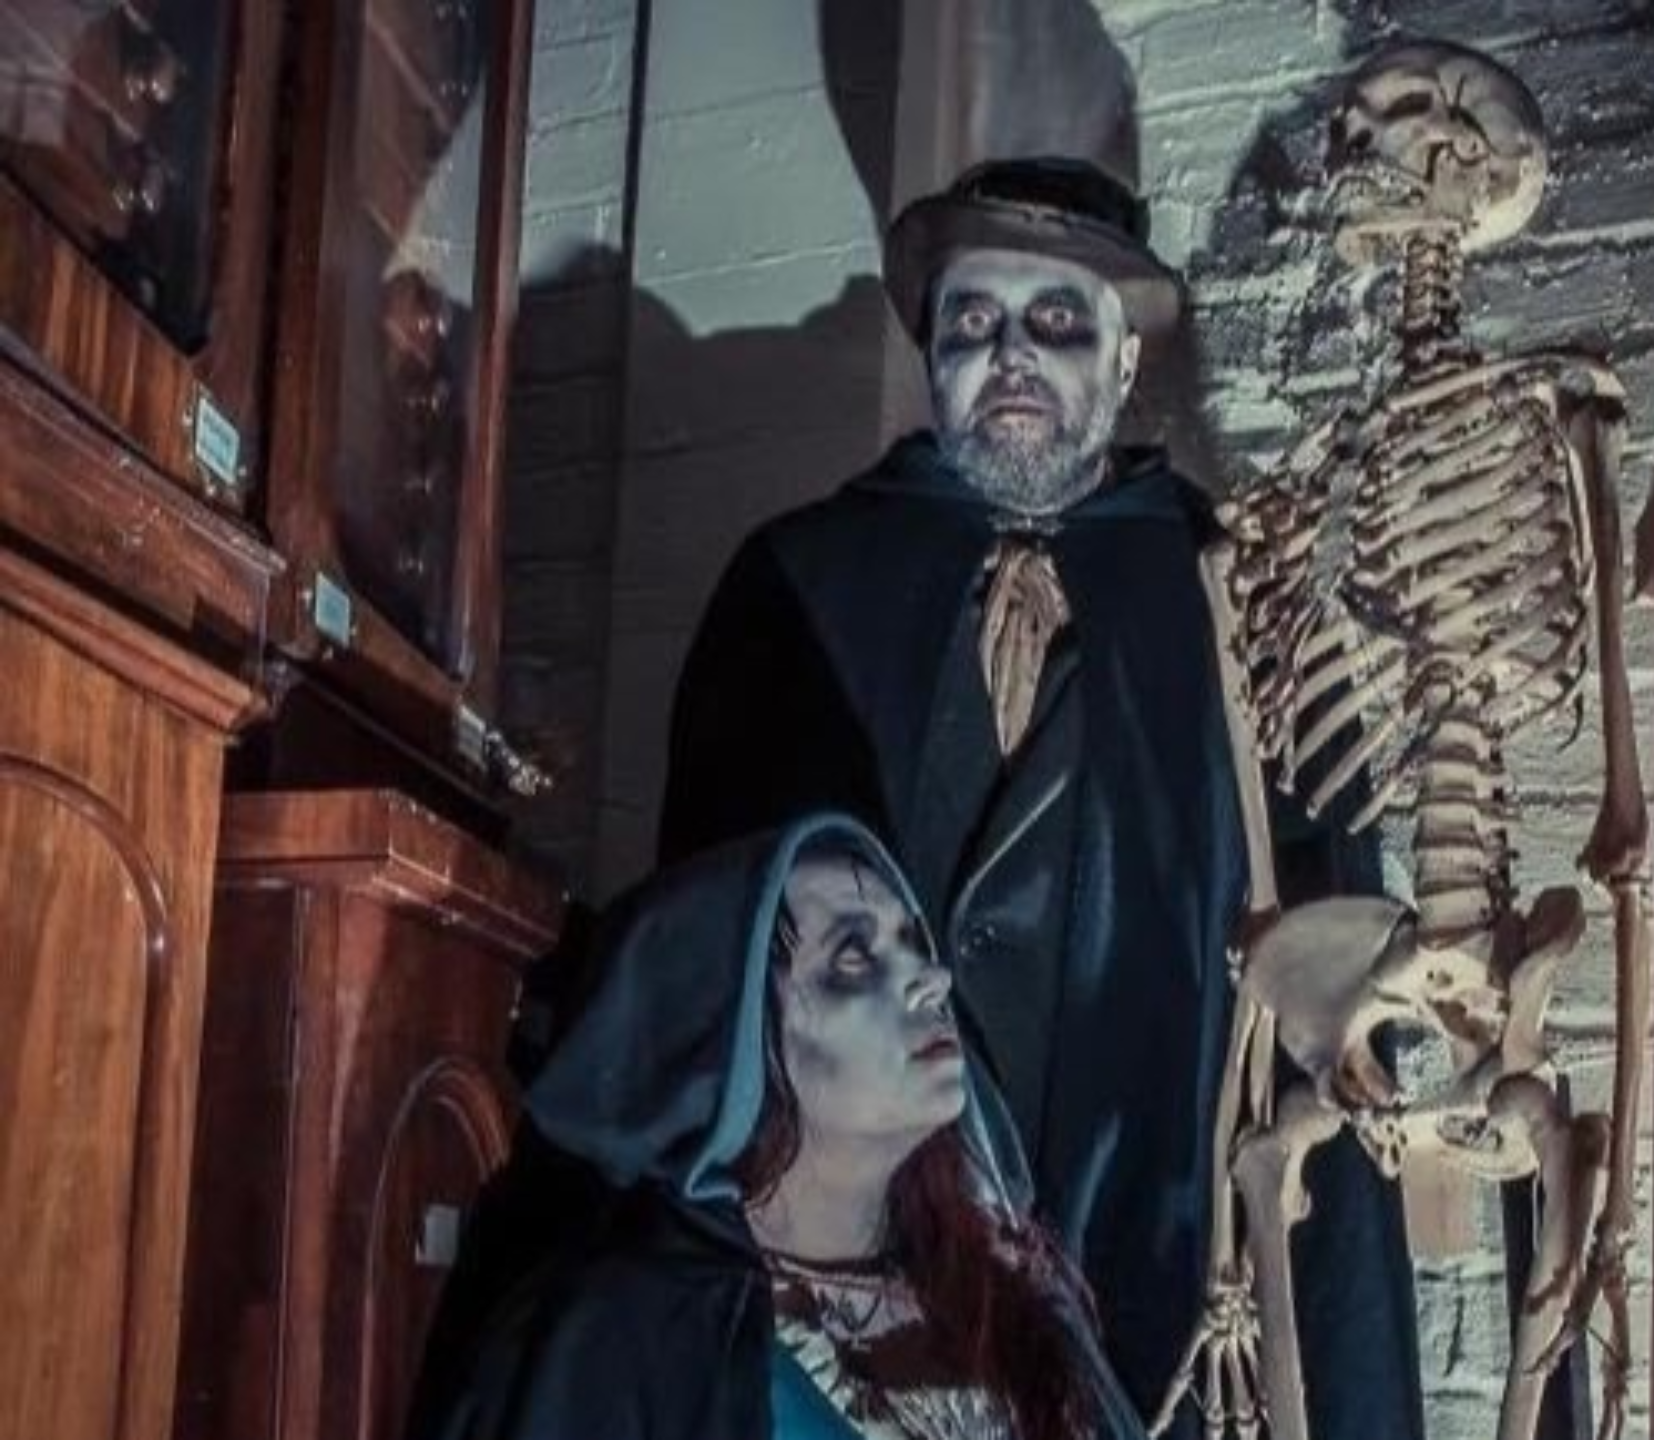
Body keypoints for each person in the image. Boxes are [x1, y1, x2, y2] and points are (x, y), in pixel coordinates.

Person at [658, 159, 1423, 1437]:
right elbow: (701, 996)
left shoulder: (1254, 613)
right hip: (868, 1310)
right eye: (973, 320)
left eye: (1057, 319)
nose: (1011, 353)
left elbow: (1339, 1015)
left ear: (1124, 362)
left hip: (1169, 1278)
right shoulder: (793, 593)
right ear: (933, 355)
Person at [413, 814, 1146, 1440]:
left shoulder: (997, 1292)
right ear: (731, 1038)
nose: (933, 980)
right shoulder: (628, 1339)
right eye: (854, 958)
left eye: (913, 943)